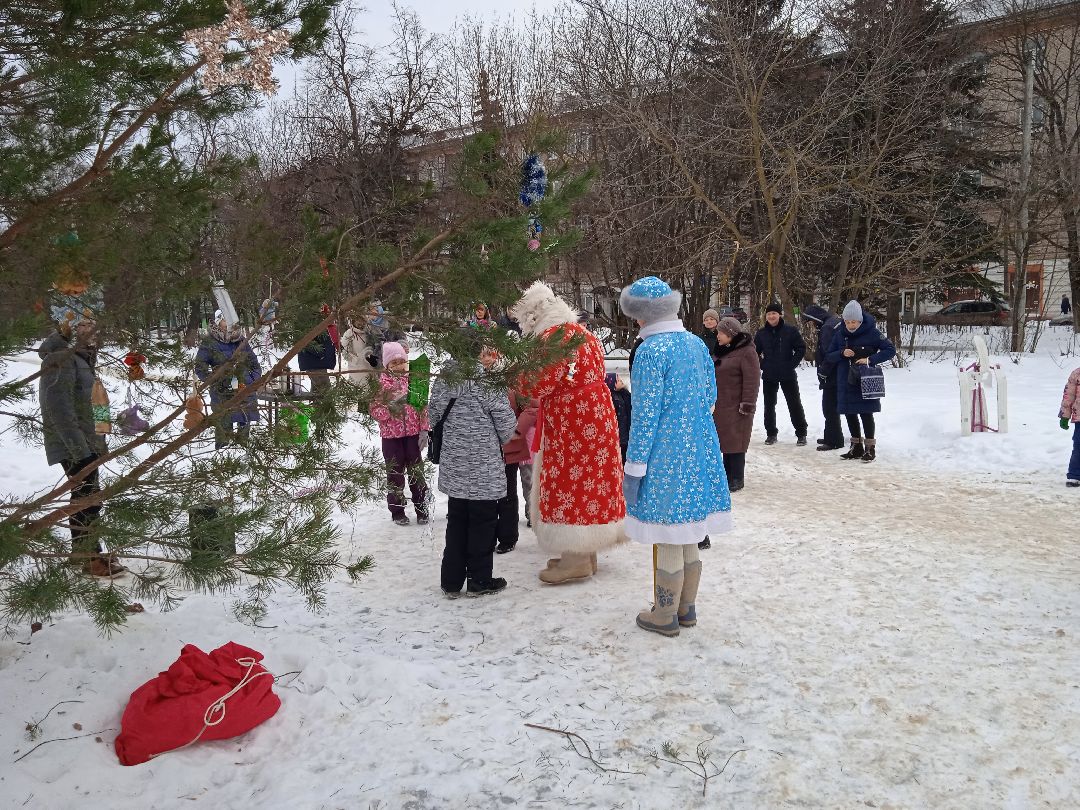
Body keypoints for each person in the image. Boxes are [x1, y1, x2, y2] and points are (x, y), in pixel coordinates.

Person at [619, 276, 731, 637]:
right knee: (687, 531)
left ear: (642, 316)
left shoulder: (651, 352)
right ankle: (686, 608)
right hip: (698, 448)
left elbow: (645, 414)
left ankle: (664, 612)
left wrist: (634, 466)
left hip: (664, 455)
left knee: (667, 531)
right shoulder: (697, 344)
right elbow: (711, 395)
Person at [510, 281, 626, 584]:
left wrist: (511, 371)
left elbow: (534, 384)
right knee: (591, 479)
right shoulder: (582, 333)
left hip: (572, 422)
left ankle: (576, 560)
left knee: (571, 480)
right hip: (596, 415)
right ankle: (587, 553)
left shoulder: (553, 340)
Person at [38, 311, 126, 578]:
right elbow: (58, 409)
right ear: (71, 329)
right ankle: (88, 555)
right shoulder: (61, 359)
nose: (91, 331)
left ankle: (86, 551)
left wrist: (102, 435)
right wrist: (81, 451)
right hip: (73, 443)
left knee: (88, 497)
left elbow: (92, 399)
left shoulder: (82, 358)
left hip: (89, 441)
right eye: (84, 325)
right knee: (88, 498)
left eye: (93, 326)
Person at [429, 331, 517, 596]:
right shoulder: (487, 380)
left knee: (457, 519)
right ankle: (479, 579)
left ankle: (451, 580)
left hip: (454, 462)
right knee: (483, 521)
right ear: (478, 351)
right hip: (483, 465)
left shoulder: (444, 378)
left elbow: (433, 415)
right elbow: (505, 425)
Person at [825, 301, 896, 463]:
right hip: (845, 378)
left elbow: (890, 350)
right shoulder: (840, 333)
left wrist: (870, 359)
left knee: (866, 412)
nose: (850, 325)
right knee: (850, 412)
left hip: (865, 378)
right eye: (847, 322)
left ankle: (870, 448)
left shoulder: (872, 333)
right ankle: (856, 446)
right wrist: (842, 353)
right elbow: (829, 355)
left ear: (860, 320)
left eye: (853, 322)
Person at [370, 342, 430, 526]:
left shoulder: (415, 380)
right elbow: (374, 411)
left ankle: (422, 508)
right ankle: (397, 511)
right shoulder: (381, 385)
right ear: (386, 365)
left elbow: (422, 407)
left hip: (412, 436)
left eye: (401, 362)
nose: (398, 366)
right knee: (395, 474)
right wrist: (391, 408)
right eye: (393, 363)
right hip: (391, 438)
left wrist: (424, 429)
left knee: (416, 473)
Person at [195, 311, 261, 450]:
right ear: (219, 322)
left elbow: (255, 365)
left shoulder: (241, 340)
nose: (229, 323)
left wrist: (250, 381)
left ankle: (243, 450)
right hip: (222, 391)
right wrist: (216, 381)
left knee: (244, 419)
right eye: (226, 319)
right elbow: (200, 368)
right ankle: (223, 454)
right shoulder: (210, 342)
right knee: (224, 421)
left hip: (244, 389)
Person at [710, 317, 760, 493]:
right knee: (725, 442)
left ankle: (737, 478)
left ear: (730, 334)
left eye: (721, 333)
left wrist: (747, 404)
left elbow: (752, 380)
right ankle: (726, 476)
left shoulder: (747, 352)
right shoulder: (721, 351)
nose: (718, 336)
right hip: (721, 405)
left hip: (738, 406)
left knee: (737, 442)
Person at [754, 302, 808, 445]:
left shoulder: (790, 331)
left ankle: (801, 433)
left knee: (794, 403)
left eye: (774, 313)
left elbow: (801, 348)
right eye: (769, 314)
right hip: (769, 375)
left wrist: (791, 364)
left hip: (787, 374)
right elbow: (754, 352)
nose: (771, 316)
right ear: (766, 316)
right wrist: (763, 364)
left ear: (780, 314)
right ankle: (771, 433)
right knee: (769, 405)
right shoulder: (761, 334)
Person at [495, 387, 538, 553]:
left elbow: (533, 405)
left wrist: (517, 429)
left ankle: (507, 537)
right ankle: (486, 536)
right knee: (486, 495)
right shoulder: (474, 377)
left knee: (508, 491)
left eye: (490, 357)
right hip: (483, 446)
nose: (485, 359)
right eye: (482, 357)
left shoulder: (514, 376)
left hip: (508, 443)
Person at [800, 304, 846, 451]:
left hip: (831, 374)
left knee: (829, 407)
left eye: (812, 323)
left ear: (816, 319)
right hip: (838, 372)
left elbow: (828, 354)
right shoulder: (833, 322)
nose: (812, 326)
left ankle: (834, 440)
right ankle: (830, 435)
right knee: (831, 407)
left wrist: (823, 372)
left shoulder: (827, 328)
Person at [1058, 365, 1080, 487]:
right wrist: (1065, 415)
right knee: (1078, 446)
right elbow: (1068, 396)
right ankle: (1075, 475)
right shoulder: (1076, 374)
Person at [605, 373, 632, 462]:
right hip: (620, 435)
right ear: (612, 384)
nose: (620, 380)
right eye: (617, 380)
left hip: (625, 434)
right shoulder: (613, 398)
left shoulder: (623, 393)